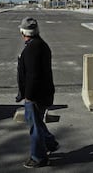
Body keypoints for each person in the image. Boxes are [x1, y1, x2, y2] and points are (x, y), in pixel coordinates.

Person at [16, 17, 59, 168]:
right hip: (44, 92)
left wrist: (29, 96)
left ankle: (38, 157)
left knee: (34, 126)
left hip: (36, 95)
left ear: (23, 32)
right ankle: (50, 143)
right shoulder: (40, 45)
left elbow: (33, 75)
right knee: (36, 121)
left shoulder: (32, 49)